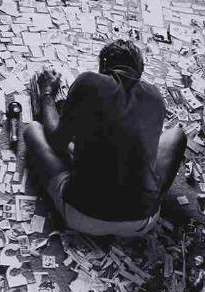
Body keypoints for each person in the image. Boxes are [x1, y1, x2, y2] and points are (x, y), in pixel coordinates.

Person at [24, 40, 187, 237]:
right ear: (140, 70)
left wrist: (47, 94)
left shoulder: (88, 81)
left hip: (82, 215)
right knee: (177, 134)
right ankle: (152, 200)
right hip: (141, 221)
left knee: (33, 130)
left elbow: (57, 143)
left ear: (102, 66)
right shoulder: (156, 97)